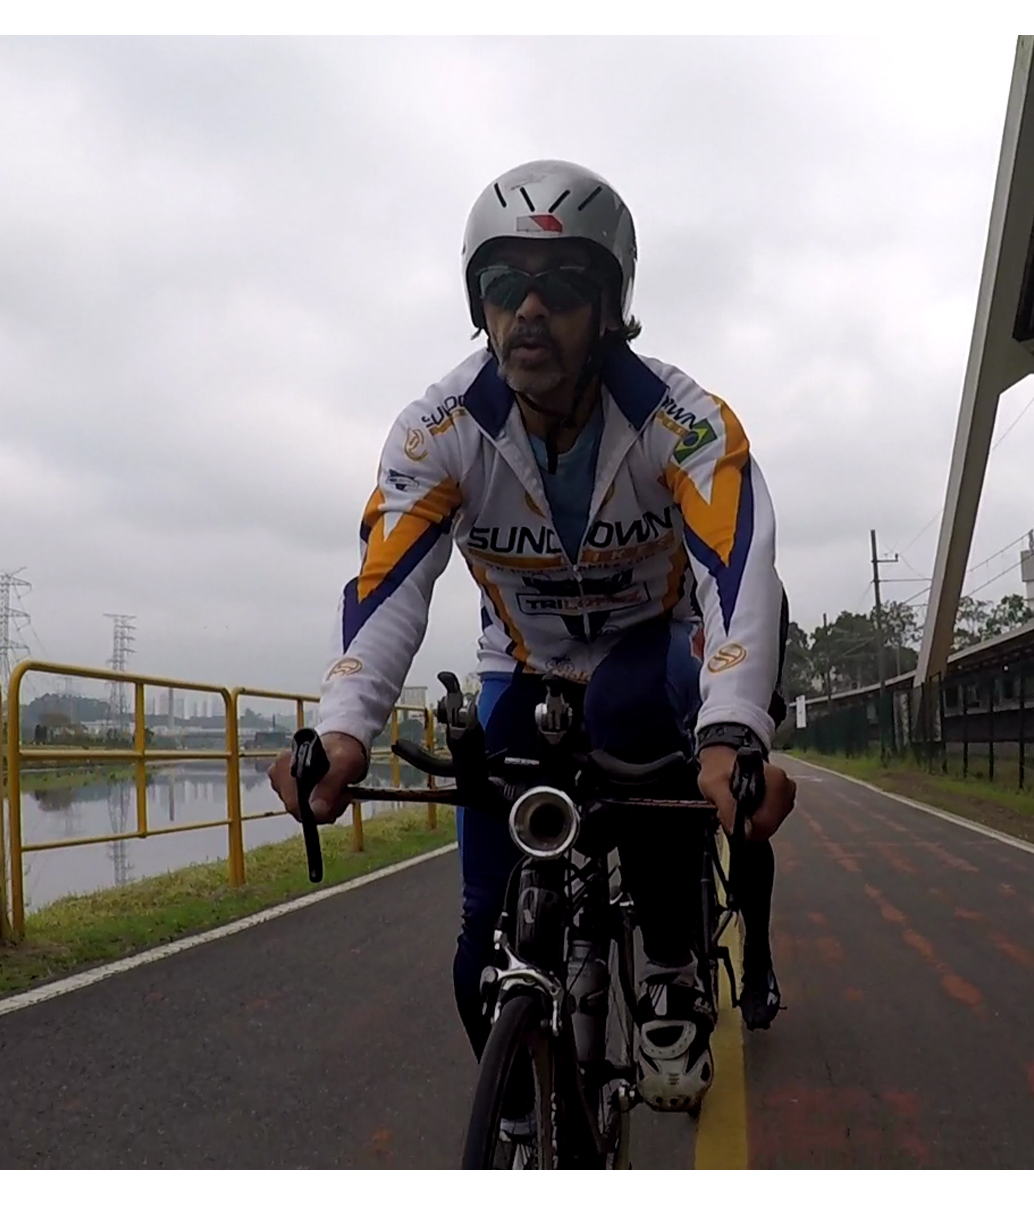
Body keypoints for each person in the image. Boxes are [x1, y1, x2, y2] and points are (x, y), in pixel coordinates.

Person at [269, 160, 796, 1114]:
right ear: (478, 304)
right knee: (480, 947)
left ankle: (670, 963)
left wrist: (730, 731)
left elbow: (736, 567)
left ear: (611, 308)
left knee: (633, 709)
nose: (530, 309)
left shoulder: (682, 422)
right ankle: (522, 1123)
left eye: (563, 286)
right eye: (504, 284)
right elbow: (390, 583)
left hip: (655, 648)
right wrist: (341, 729)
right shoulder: (438, 430)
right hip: (524, 665)